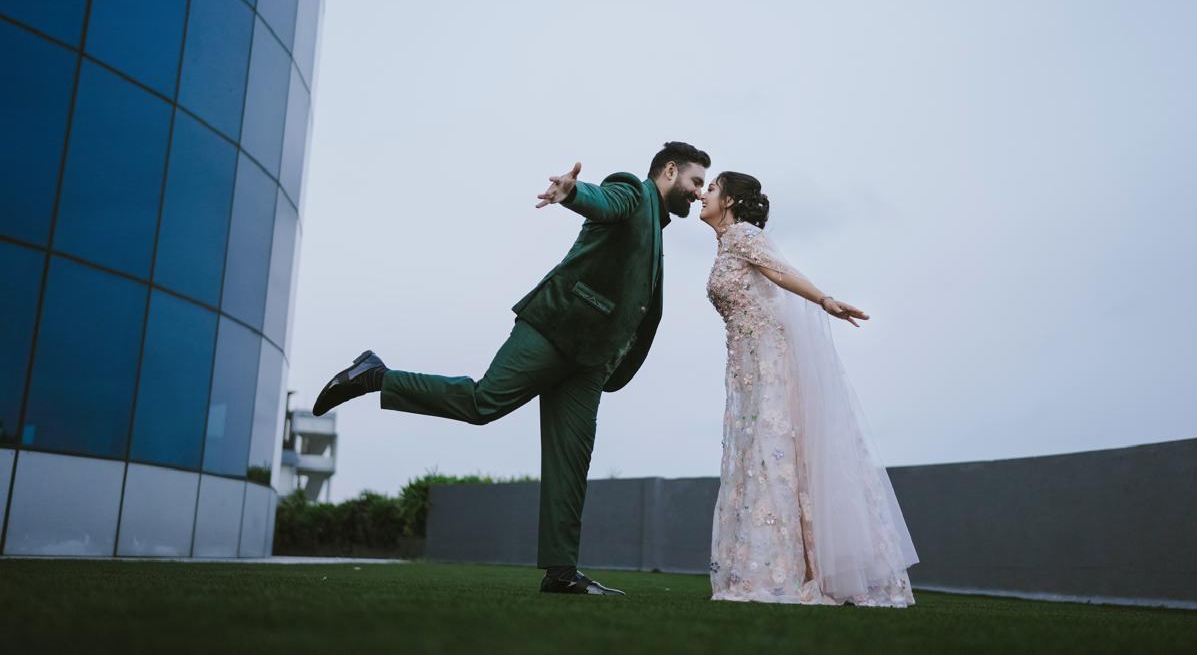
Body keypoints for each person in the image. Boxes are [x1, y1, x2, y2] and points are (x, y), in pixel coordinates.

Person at [311, 142, 711, 595]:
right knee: (483, 403)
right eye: (695, 181)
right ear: (670, 171)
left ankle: (561, 572)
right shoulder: (633, 194)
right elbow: (604, 200)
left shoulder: (657, 230)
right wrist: (574, 192)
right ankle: (373, 376)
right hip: (553, 330)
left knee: (570, 463)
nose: (699, 192)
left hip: (589, 363)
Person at [699, 171, 919, 606]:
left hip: (769, 361)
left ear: (729, 201)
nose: (702, 194)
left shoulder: (742, 235)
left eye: (711, 188)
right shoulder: (725, 244)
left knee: (774, 452)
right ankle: (778, 565)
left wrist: (823, 299)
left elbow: (781, 273)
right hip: (745, 366)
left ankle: (783, 573)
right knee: (760, 454)